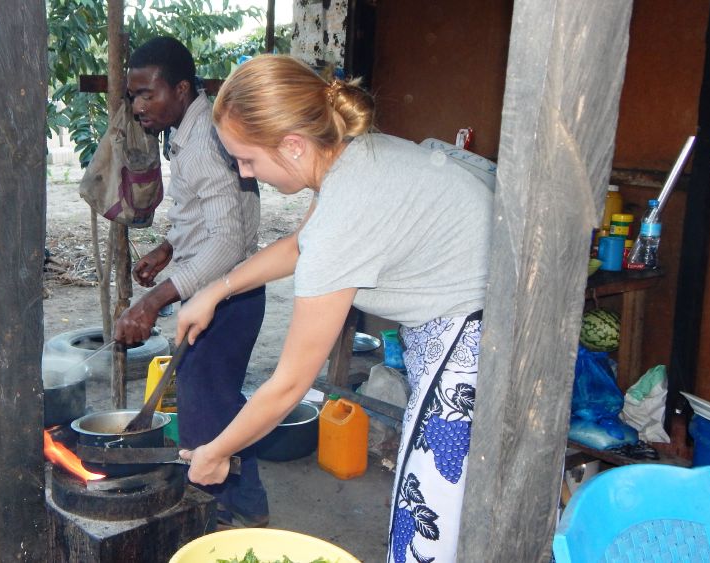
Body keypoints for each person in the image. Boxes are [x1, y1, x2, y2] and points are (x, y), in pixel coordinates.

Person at [176, 55, 492, 562]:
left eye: (248, 159)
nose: (242, 171)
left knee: (428, 521)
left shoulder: (346, 210)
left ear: (293, 146)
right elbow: (303, 244)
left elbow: (289, 384)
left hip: (474, 340)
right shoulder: (350, 157)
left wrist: (217, 451)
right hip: (470, 320)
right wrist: (217, 289)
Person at [113, 36, 268, 528]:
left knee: (207, 404)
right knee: (215, 398)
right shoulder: (191, 128)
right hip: (224, 289)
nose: (139, 107)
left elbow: (227, 242)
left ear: (181, 89)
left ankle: (217, 511)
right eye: (133, 96)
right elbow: (204, 217)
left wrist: (154, 301)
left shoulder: (203, 142)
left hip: (230, 296)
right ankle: (245, 499)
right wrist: (165, 250)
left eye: (147, 94)